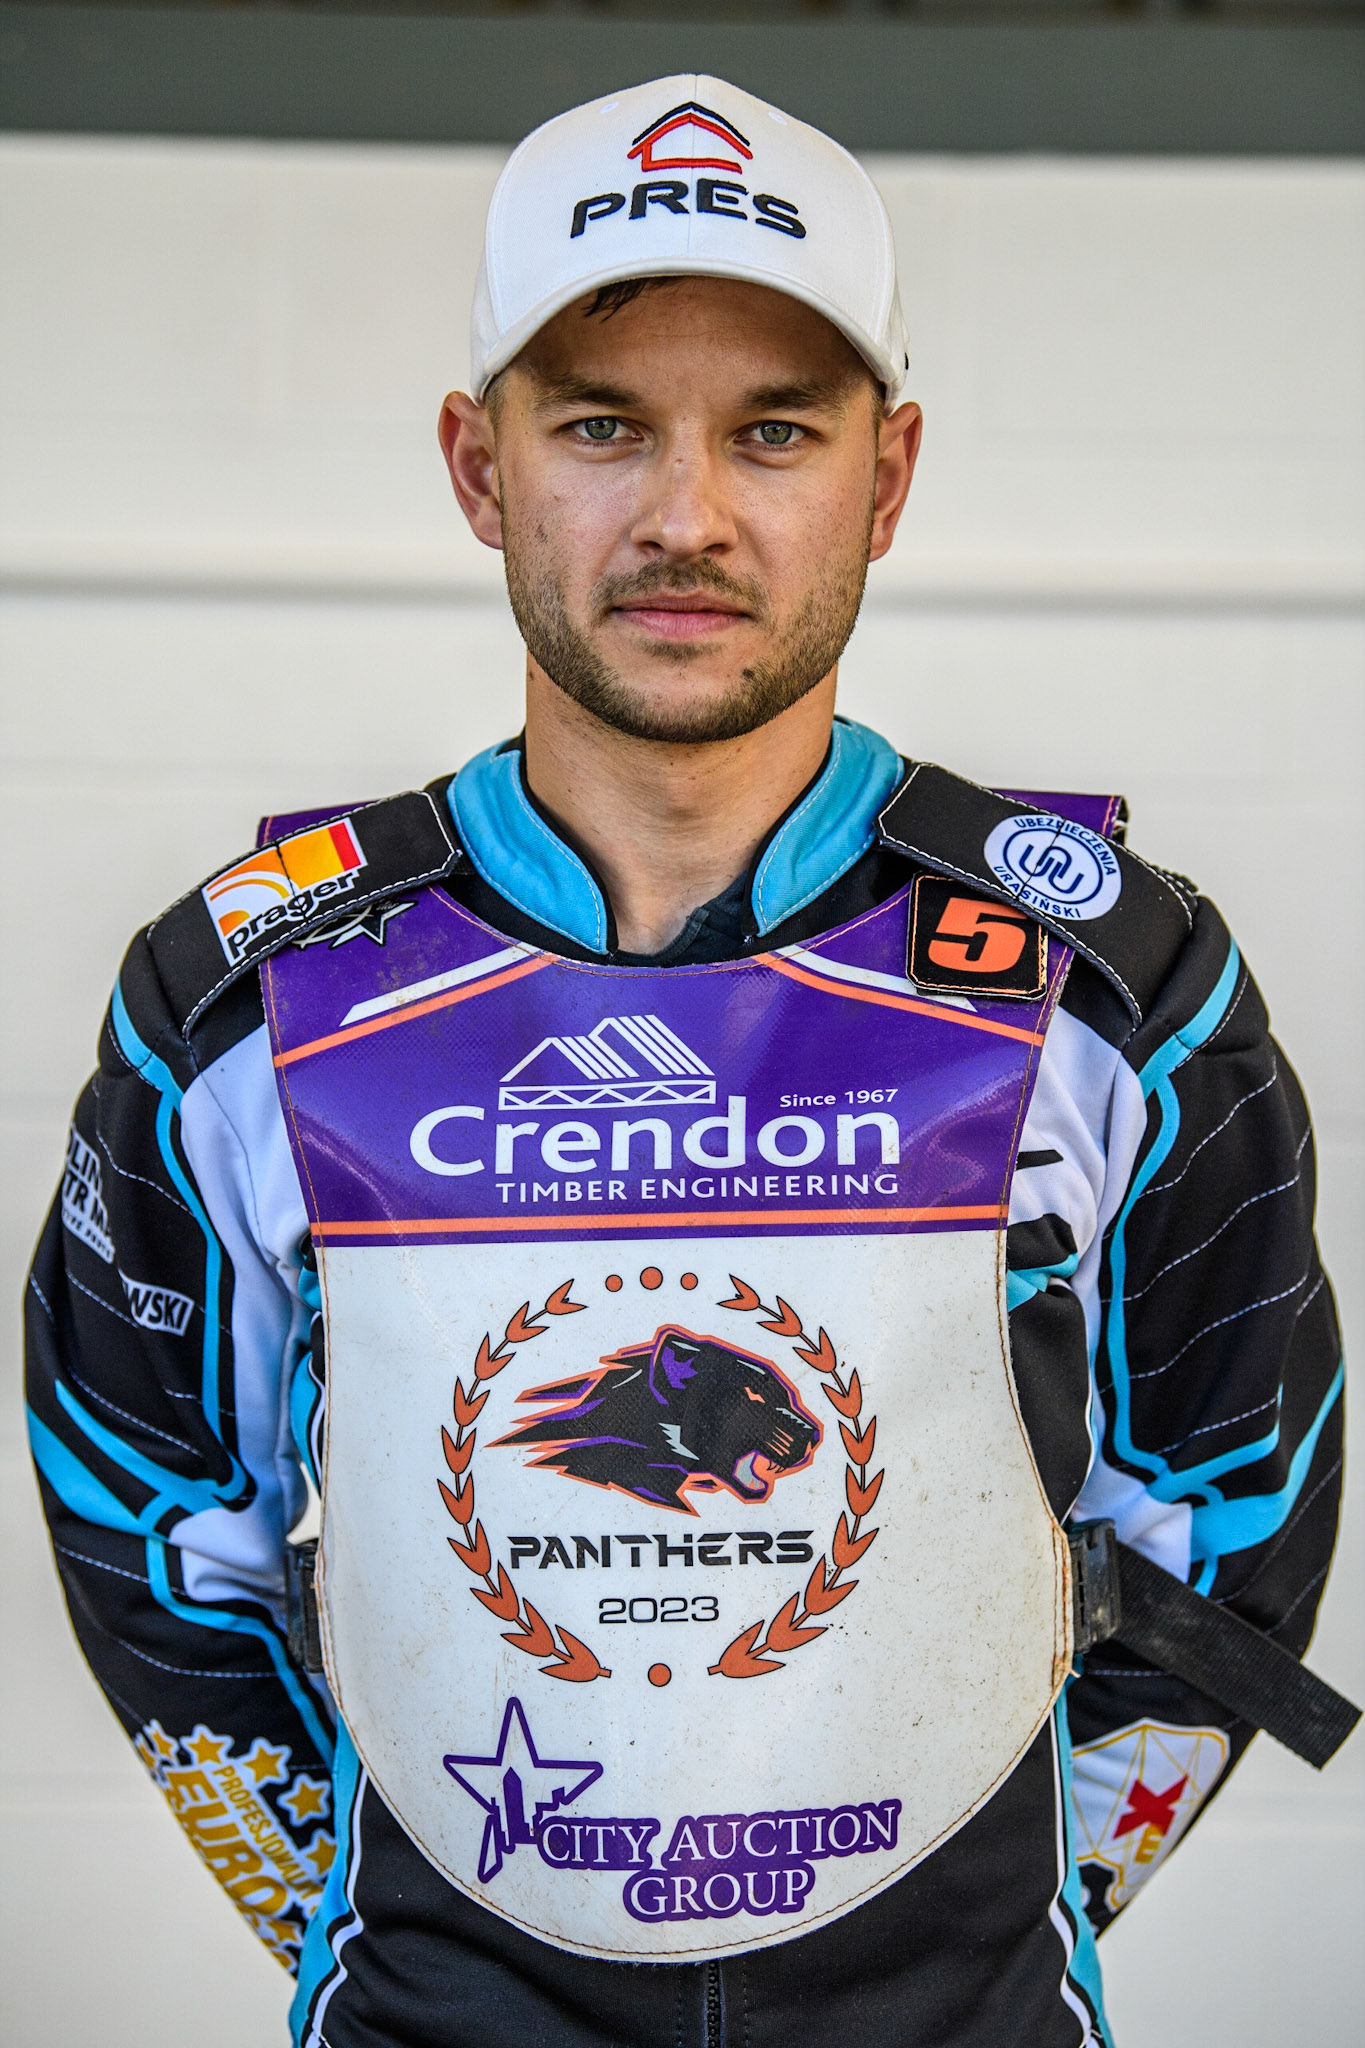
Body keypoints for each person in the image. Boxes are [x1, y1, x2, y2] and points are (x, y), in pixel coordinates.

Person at [25, 74, 1353, 2048]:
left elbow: (1229, 1512)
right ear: (478, 471)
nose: (684, 516)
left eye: (772, 433)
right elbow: (151, 1524)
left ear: (884, 479)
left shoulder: (1110, 980)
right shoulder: (241, 995)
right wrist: (360, 1929)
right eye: (596, 427)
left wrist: (1023, 1912)